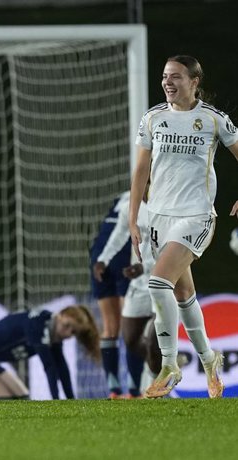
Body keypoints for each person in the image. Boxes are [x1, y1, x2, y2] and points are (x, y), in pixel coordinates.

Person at [129, 55, 238, 398]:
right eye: (164, 76)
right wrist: (134, 218)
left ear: (194, 82)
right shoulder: (153, 119)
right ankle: (209, 363)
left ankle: (170, 364)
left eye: (175, 76)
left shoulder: (213, 120)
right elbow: (140, 172)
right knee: (183, 293)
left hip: (196, 217)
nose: (168, 82)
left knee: (158, 281)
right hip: (160, 218)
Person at [0, 305, 100, 400]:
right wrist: (56, 401)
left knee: (23, 399)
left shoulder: (52, 333)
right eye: (67, 326)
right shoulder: (38, 324)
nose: (67, 333)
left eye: (73, 332)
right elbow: (49, 367)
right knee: (1, 402)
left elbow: (61, 367)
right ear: (59, 315)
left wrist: (71, 400)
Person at [94, 183, 157, 398]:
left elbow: (171, 248)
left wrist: (144, 267)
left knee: (155, 334)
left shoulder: (169, 205)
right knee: (129, 335)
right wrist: (103, 259)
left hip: (159, 278)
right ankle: (131, 387)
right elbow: (121, 231)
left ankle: (143, 385)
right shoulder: (133, 204)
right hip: (135, 276)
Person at [90, 192, 132, 398]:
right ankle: (135, 388)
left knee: (110, 327)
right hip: (124, 253)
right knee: (132, 325)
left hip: (99, 254)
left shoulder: (119, 201)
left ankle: (113, 389)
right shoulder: (149, 195)